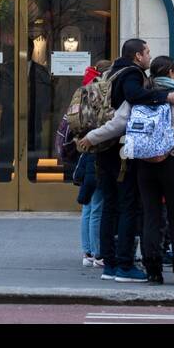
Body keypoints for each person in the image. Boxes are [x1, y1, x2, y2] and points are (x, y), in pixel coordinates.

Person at [79, 55, 174, 285]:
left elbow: (116, 125)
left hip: (144, 165)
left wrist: (90, 137)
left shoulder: (139, 98)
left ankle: (153, 271)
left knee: (150, 217)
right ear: (172, 72)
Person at [73, 60, 111, 267]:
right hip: (98, 150)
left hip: (86, 150)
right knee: (97, 204)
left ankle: (87, 251)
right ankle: (98, 254)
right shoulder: (102, 92)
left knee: (88, 205)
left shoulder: (85, 90)